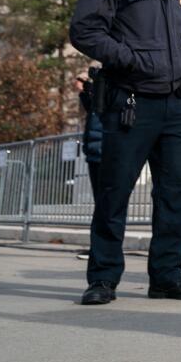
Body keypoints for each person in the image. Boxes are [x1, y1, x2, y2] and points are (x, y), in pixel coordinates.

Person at [69, 0, 181, 305]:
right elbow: (84, 31)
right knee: (114, 194)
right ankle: (102, 279)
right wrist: (130, 60)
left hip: (178, 106)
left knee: (176, 193)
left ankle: (167, 277)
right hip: (130, 105)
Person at [73, 67, 105, 260]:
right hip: (95, 151)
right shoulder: (96, 93)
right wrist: (85, 89)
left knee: (106, 206)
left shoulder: (124, 92)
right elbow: (91, 108)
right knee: (101, 204)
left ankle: (102, 251)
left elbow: (131, 100)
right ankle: (97, 248)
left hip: (107, 151)